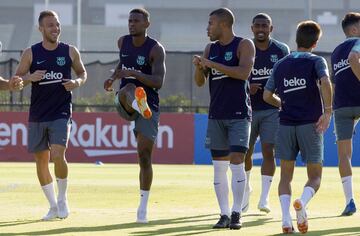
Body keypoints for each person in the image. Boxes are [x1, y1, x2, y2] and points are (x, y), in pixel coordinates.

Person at [15, 10, 87, 220]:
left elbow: (83, 73)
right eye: (50, 25)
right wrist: (30, 77)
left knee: (57, 154)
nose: (55, 29)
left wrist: (76, 82)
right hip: (38, 113)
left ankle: (63, 199)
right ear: (41, 29)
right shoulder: (31, 53)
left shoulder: (70, 51)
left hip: (61, 111)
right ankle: (53, 205)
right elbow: (17, 80)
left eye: (57, 24)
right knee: (41, 160)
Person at [263, 20, 332, 234]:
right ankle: (302, 202)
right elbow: (326, 82)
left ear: (297, 39)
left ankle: (285, 220)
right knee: (315, 177)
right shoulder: (316, 60)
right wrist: (328, 111)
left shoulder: (280, 64)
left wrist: (281, 102)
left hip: (285, 125)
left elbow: (266, 96)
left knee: (285, 177)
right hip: (310, 124)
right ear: (315, 42)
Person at [193, 8, 255, 230]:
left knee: (237, 162)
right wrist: (200, 68)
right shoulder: (210, 48)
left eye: (211, 23)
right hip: (216, 115)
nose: (207, 27)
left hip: (239, 114)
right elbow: (200, 82)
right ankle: (224, 214)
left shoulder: (244, 44)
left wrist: (212, 65)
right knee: (218, 168)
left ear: (223, 25)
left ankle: (237, 213)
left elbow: (243, 73)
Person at [103, 8, 166, 224]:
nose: (131, 24)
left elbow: (158, 82)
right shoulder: (122, 42)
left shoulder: (156, 49)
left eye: (136, 21)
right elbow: (123, 64)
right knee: (129, 87)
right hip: (126, 101)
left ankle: (142, 207)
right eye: (130, 20)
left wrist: (136, 74)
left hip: (151, 105)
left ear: (147, 24)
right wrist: (113, 78)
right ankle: (137, 104)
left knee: (144, 156)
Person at [242, 13, 290, 214]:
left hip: (272, 109)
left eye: (265, 26)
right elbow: (236, 75)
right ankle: (245, 190)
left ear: (271, 29)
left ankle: (264, 198)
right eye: (257, 26)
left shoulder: (281, 50)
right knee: (245, 151)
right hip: (247, 108)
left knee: (269, 150)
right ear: (252, 28)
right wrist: (246, 86)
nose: (261, 29)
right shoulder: (245, 48)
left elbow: (288, 76)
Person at [331, 12, 360, 216]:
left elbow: (333, 83)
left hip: (341, 106)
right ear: (354, 30)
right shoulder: (358, 43)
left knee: (344, 155)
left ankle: (350, 201)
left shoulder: (334, 52)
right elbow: (353, 59)